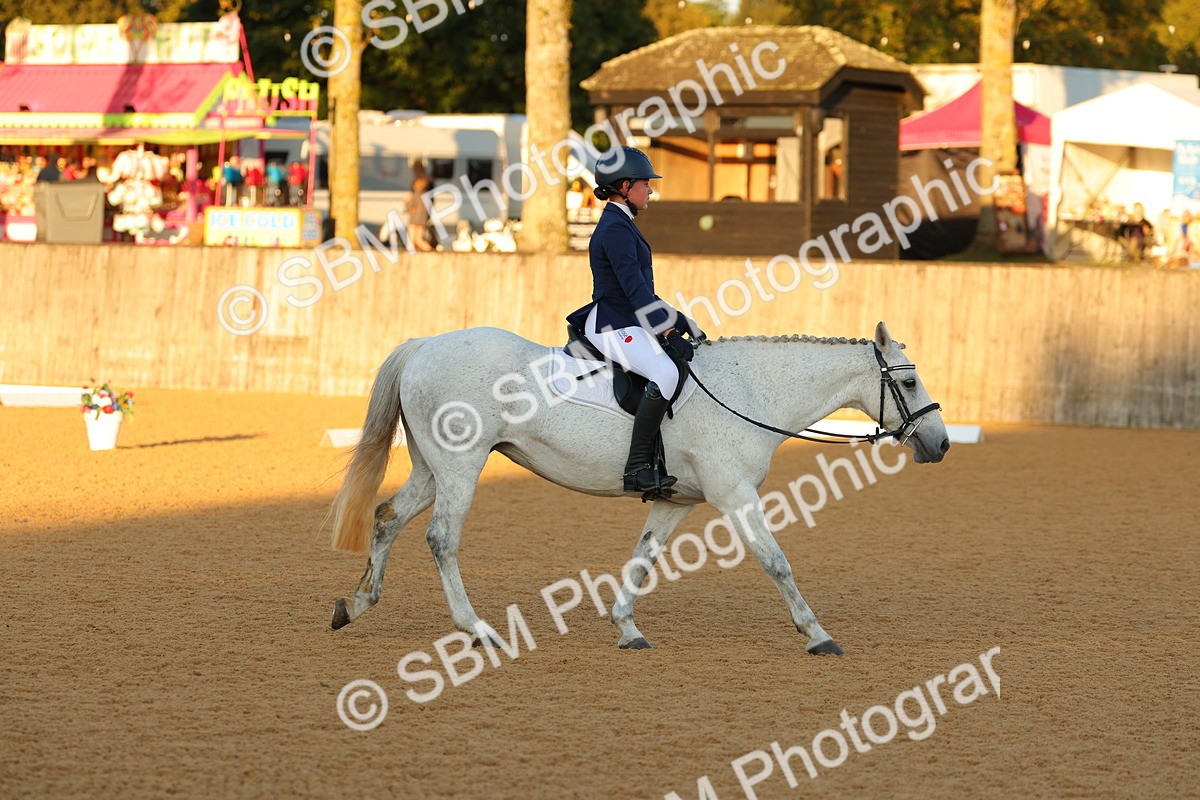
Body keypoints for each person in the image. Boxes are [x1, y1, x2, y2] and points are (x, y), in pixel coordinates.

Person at [566, 146, 705, 497]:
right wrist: (668, 330)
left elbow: (642, 290)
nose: (651, 191)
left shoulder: (621, 224)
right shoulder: (614, 228)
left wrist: (677, 317)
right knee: (666, 373)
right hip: (613, 323)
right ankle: (638, 467)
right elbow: (633, 291)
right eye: (646, 184)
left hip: (627, 318)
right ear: (625, 187)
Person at [407, 160, 435, 252]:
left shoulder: (417, 193)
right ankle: (430, 251)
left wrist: (406, 202)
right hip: (422, 218)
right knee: (419, 239)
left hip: (414, 218)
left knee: (411, 239)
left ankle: (429, 252)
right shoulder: (426, 192)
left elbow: (409, 205)